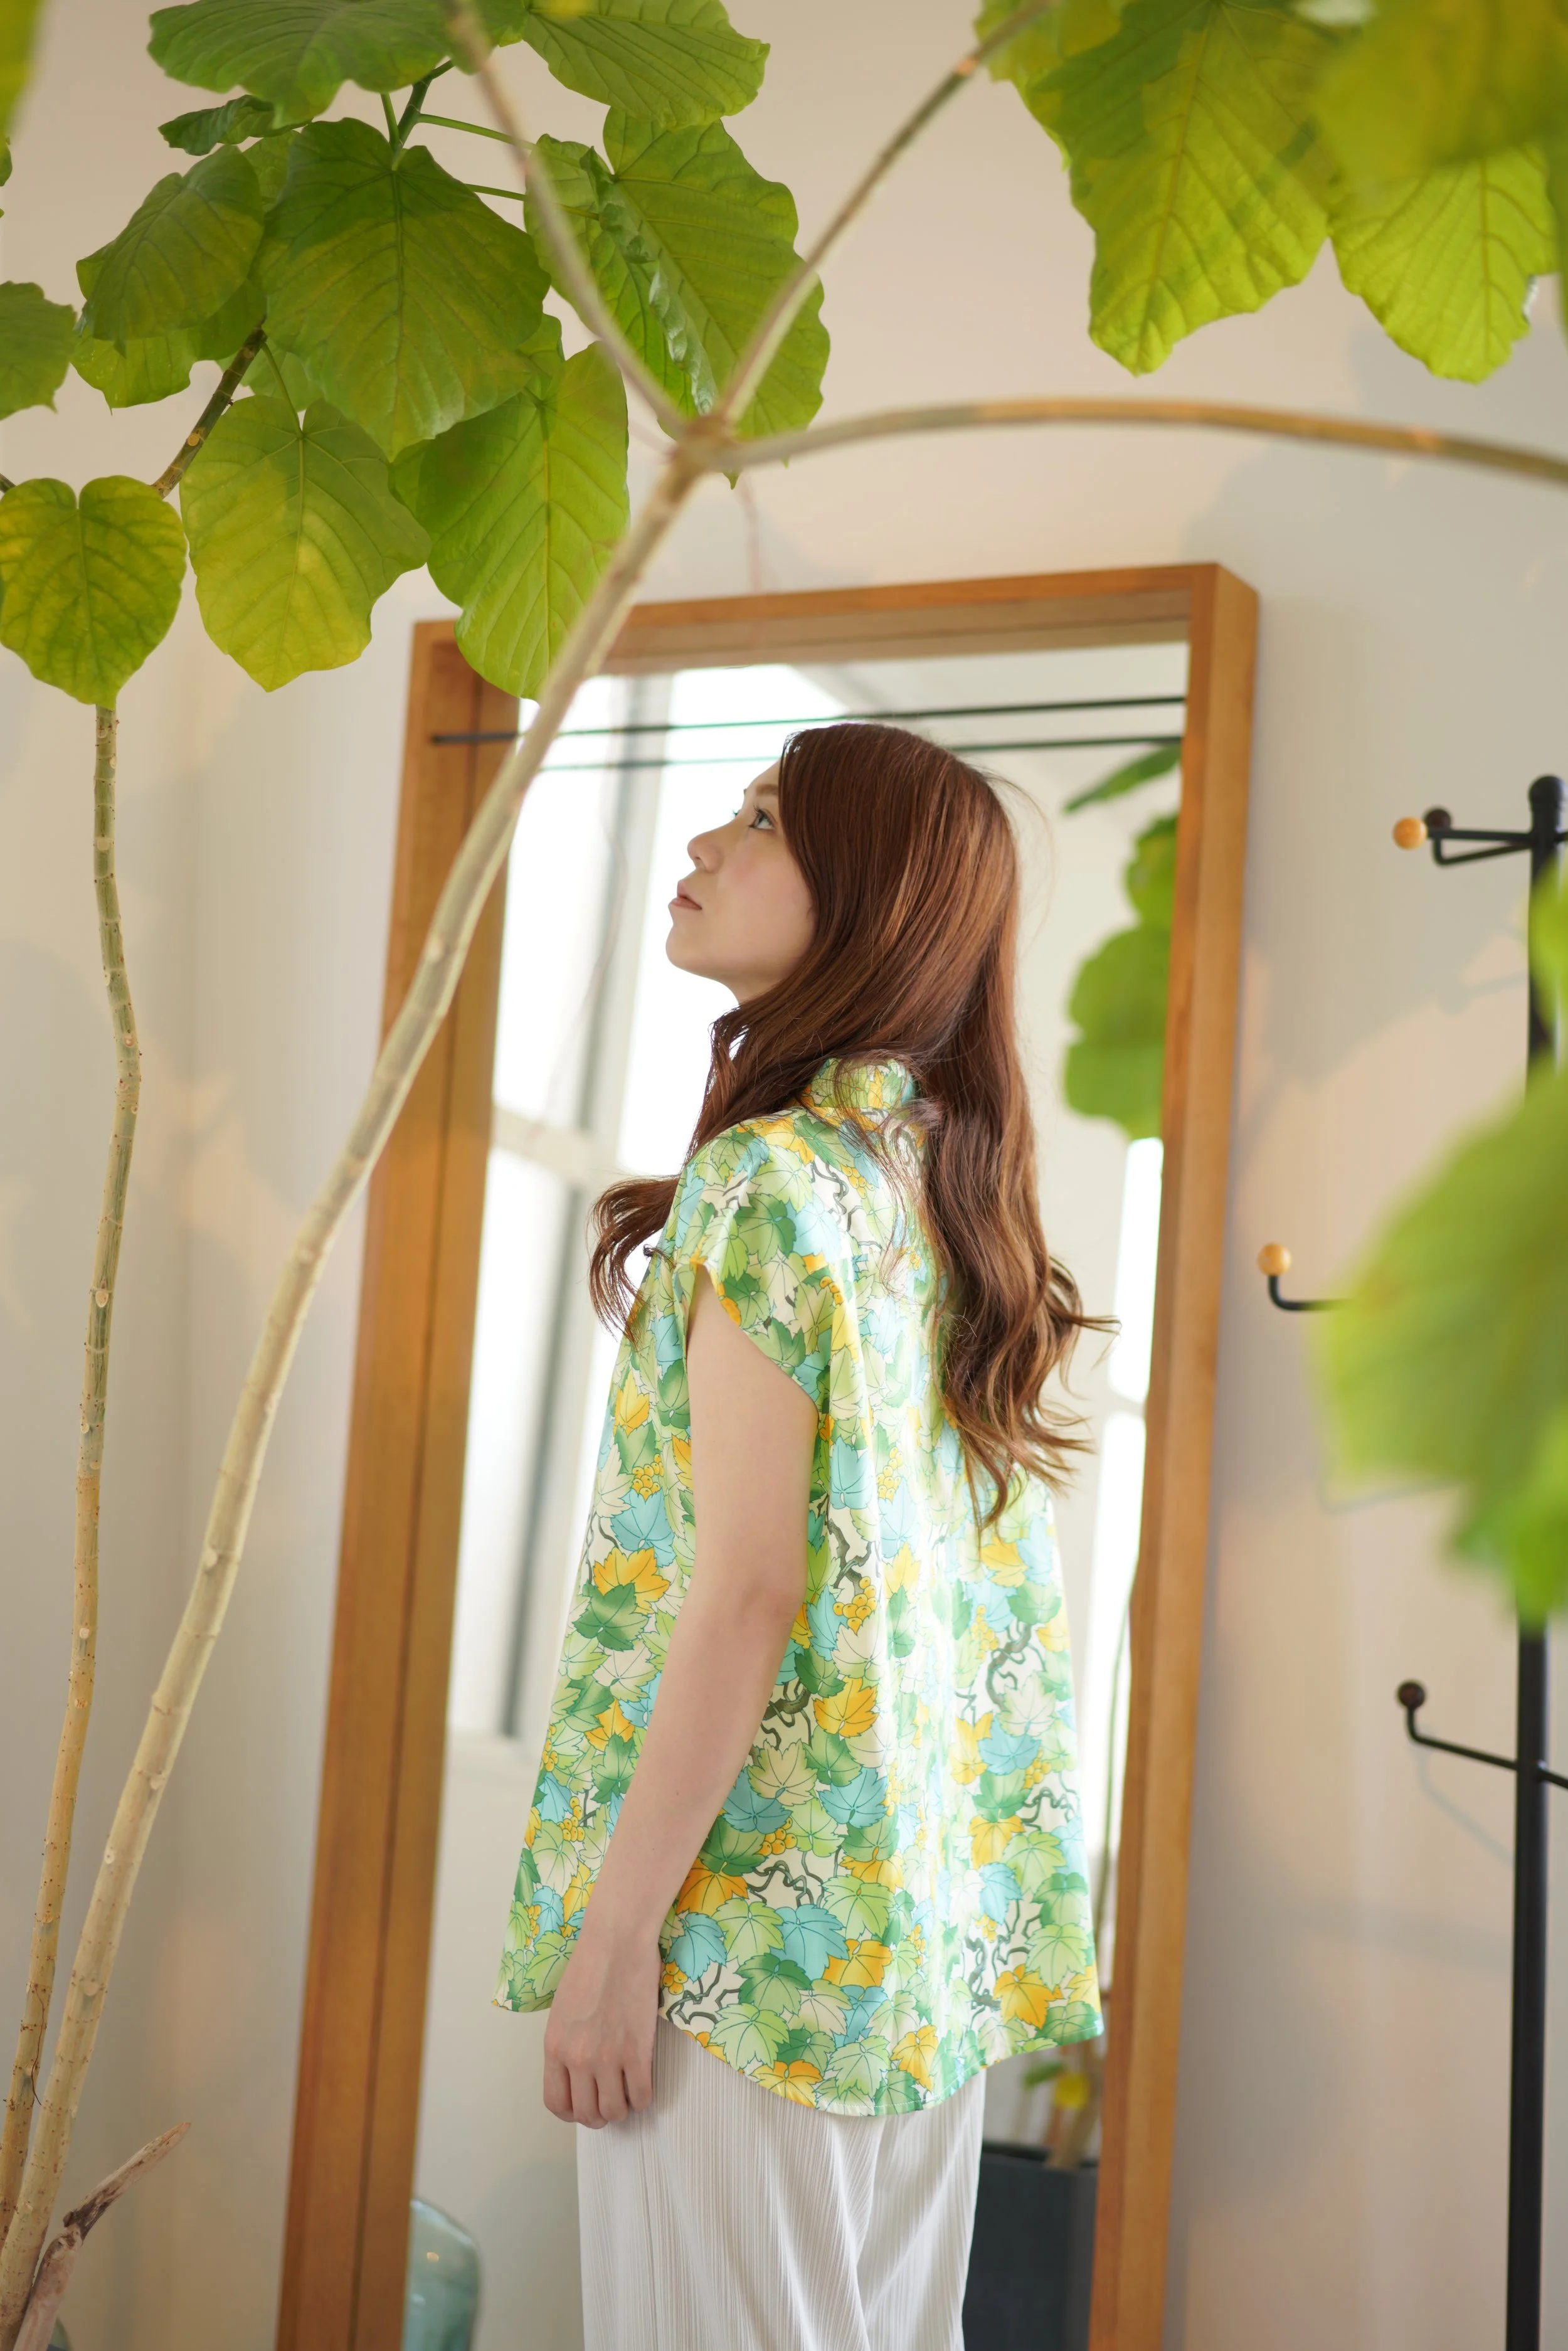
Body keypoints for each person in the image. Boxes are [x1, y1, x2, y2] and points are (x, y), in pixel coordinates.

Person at [496, 721, 1104, 2351]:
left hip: (747, 1940)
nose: (707, 843)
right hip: (908, 1953)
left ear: (868, 897)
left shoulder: (773, 1182)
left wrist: (614, 1938)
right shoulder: (940, 1194)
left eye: (763, 817)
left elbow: (751, 1589)